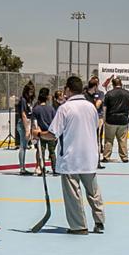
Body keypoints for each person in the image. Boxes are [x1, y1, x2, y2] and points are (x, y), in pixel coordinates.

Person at [51, 76, 105, 234]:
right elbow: (95, 126)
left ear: (68, 89)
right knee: (93, 192)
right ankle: (99, 221)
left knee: (73, 194)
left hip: (71, 158)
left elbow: (53, 132)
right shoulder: (91, 107)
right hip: (89, 156)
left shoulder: (65, 108)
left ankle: (78, 226)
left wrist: (38, 134)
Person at [101, 77, 129, 163]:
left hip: (110, 120)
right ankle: (124, 157)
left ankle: (106, 157)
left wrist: (104, 119)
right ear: (121, 83)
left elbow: (104, 108)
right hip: (123, 120)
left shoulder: (109, 94)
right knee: (123, 140)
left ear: (113, 85)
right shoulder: (128, 93)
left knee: (109, 140)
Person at [31, 86, 57, 174]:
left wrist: (35, 133)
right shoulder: (51, 109)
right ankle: (55, 169)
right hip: (50, 134)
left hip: (41, 134)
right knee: (52, 152)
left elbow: (34, 123)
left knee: (41, 152)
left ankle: (41, 168)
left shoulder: (36, 109)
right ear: (47, 97)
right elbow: (55, 121)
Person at [15, 81, 35, 175]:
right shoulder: (23, 100)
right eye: (30, 90)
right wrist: (27, 129)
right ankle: (22, 168)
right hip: (23, 124)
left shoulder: (29, 100)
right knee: (23, 146)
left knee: (25, 146)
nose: (31, 92)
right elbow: (23, 114)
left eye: (32, 90)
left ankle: (23, 167)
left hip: (28, 123)